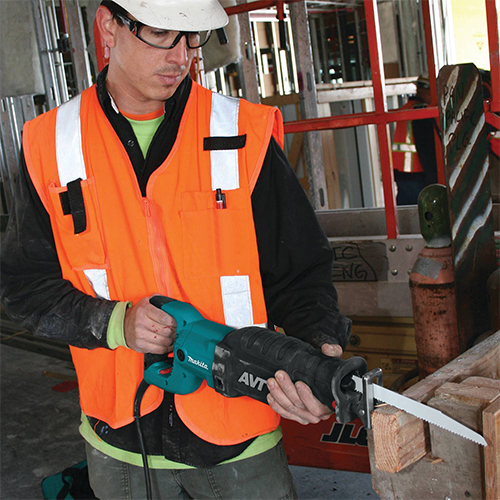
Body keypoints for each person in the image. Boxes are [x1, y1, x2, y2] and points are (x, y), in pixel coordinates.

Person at [0, 1, 351, 498]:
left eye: (191, 37)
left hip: (240, 441)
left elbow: (300, 275)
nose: (181, 56)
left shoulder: (239, 132)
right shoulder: (49, 145)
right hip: (120, 446)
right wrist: (114, 322)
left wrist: (319, 355)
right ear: (108, 27)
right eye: (162, 33)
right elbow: (24, 288)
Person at [392, 75, 438, 205]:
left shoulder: (406, 108)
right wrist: (434, 178)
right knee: (425, 212)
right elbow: (426, 149)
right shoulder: (420, 112)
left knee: (405, 212)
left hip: (402, 173)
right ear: (428, 91)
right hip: (416, 173)